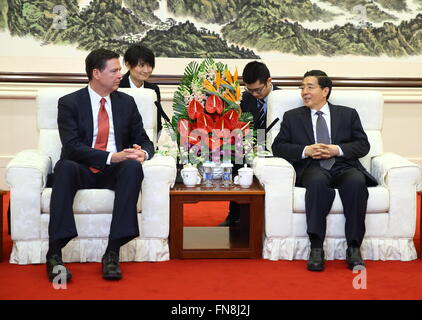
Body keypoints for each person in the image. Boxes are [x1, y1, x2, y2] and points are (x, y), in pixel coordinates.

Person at [46, 48, 155, 282]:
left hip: (115, 170)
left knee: (132, 167)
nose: (120, 75)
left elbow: (144, 139)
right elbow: (73, 146)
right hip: (81, 168)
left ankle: (112, 252)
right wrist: (110, 157)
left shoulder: (127, 102)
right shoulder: (69, 103)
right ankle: (54, 253)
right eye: (114, 70)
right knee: (64, 167)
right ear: (96, 73)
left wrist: (142, 153)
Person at [271, 70, 377, 271]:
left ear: (325, 91)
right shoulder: (292, 117)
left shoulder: (348, 114)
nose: (304, 92)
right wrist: (306, 150)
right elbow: (278, 147)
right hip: (313, 167)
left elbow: (363, 145)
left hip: (343, 166)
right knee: (317, 183)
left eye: (310, 87)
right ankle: (316, 248)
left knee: (356, 182)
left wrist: (336, 149)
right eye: (302, 87)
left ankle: (354, 247)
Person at [219, 61, 280, 226]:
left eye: (258, 90)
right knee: (236, 159)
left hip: (276, 148)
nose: (254, 94)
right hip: (250, 145)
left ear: (269, 81)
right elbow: (242, 125)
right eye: (249, 90)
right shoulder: (246, 98)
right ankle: (234, 215)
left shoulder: (282, 98)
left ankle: (260, 219)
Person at [120, 44, 167, 138]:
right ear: (128, 64)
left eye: (149, 66)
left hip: (148, 142)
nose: (146, 70)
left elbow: (157, 122)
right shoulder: (118, 87)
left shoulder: (153, 89)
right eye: (141, 65)